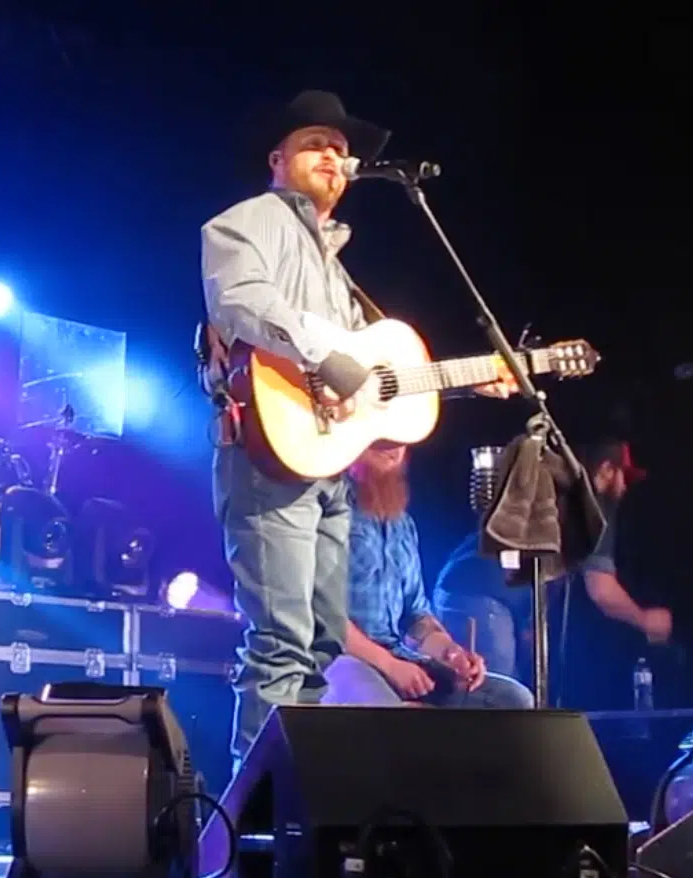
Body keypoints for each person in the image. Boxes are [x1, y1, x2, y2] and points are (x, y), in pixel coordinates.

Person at [201, 91, 513, 770]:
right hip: (268, 458)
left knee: (315, 647)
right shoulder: (250, 221)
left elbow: (373, 381)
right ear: (277, 158)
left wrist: (467, 379)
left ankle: (301, 797)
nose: (334, 158)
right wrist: (334, 362)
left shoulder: (334, 267)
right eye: (316, 143)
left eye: (342, 151)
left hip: (323, 469)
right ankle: (252, 816)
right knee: (281, 643)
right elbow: (241, 300)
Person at [432, 439, 672, 692]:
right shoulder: (592, 508)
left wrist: (530, 625)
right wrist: (645, 620)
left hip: (470, 591)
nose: (624, 489)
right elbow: (601, 589)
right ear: (606, 470)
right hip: (479, 594)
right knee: (496, 696)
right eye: (625, 478)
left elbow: (549, 570)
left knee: (510, 695)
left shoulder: (564, 494)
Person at [324, 445, 535, 708]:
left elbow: (415, 615)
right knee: (391, 715)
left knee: (513, 700)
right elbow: (324, 616)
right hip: (342, 657)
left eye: (402, 440)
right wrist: (390, 665)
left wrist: (451, 653)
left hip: (397, 656)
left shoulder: (403, 524)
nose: (394, 448)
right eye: (383, 438)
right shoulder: (329, 513)